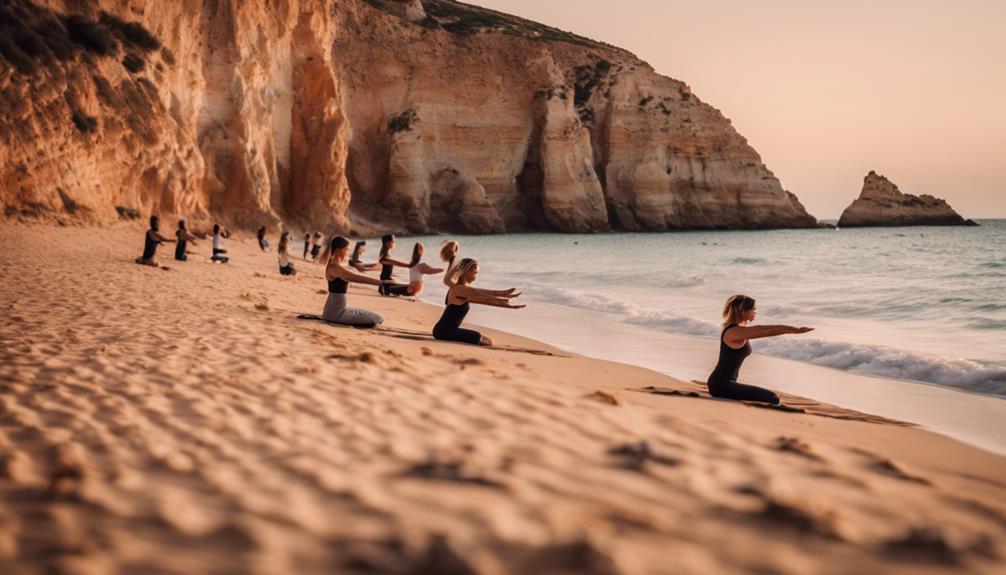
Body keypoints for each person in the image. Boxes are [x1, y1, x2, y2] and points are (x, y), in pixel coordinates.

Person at [706, 295, 814, 404]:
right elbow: (765, 330)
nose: (755, 312)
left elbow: (764, 330)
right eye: (753, 309)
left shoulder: (736, 329)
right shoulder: (734, 332)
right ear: (742, 311)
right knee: (772, 397)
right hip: (721, 385)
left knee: (770, 396)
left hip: (725, 383)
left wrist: (794, 330)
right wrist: (796, 330)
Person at [433, 258, 523, 346]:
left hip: (443, 331)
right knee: (481, 338)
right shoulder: (459, 289)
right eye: (475, 273)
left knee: (487, 340)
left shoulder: (460, 289)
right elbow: (479, 294)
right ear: (467, 271)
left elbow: (484, 300)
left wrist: (506, 304)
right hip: (444, 331)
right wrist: (502, 296)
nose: (475, 277)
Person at [320, 236, 391, 327]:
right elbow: (356, 277)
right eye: (346, 249)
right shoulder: (335, 268)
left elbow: (354, 273)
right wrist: (382, 282)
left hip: (336, 311)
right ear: (338, 250)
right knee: (375, 320)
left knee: (378, 318)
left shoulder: (335, 266)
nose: (347, 252)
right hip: (336, 314)